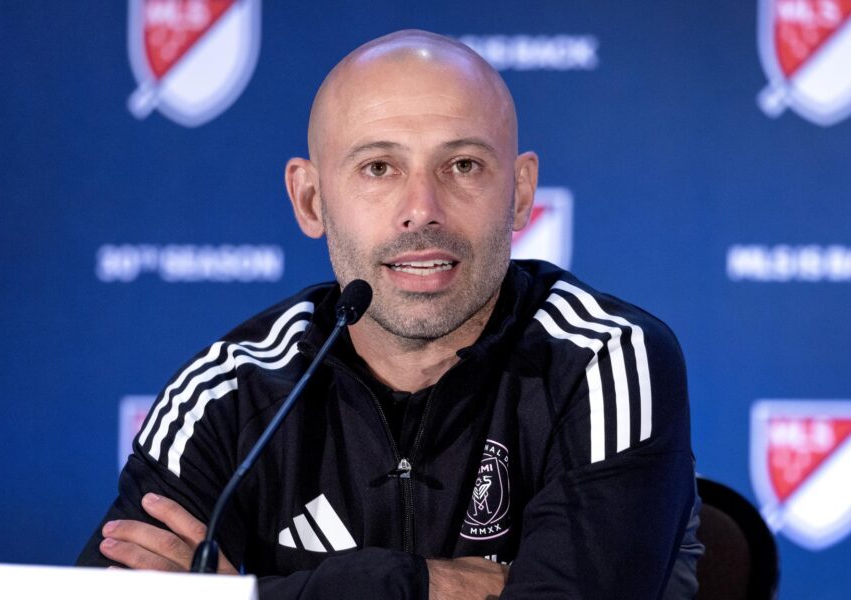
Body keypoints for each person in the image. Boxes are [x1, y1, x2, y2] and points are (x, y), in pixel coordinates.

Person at [78, 29, 701, 598]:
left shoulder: (606, 359)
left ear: (520, 194)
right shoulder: (231, 392)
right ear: (311, 199)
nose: (422, 209)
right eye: (379, 168)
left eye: (463, 165)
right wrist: (412, 583)